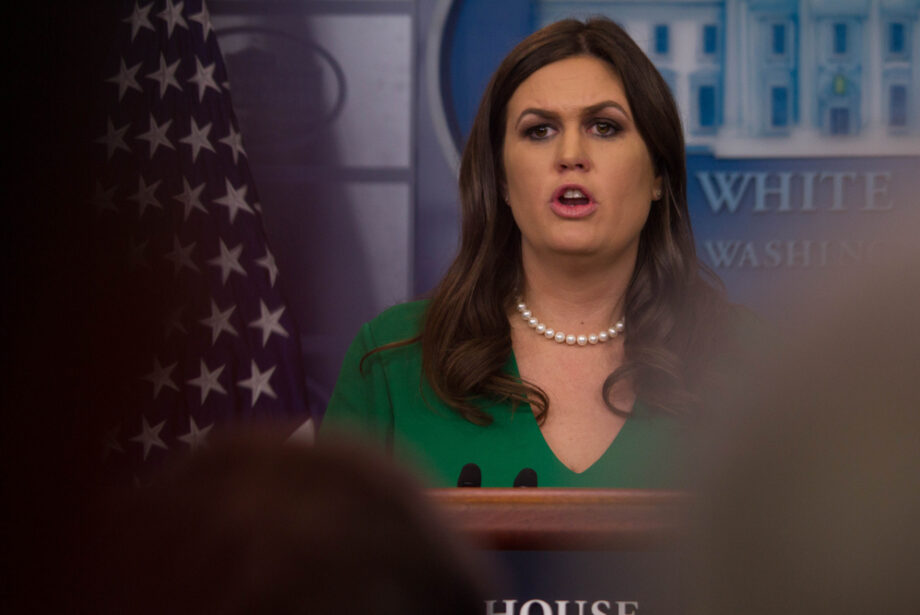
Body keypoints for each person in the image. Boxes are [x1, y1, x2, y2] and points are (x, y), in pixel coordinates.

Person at [322, 18, 743, 488]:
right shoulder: (390, 363)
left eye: (604, 127)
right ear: (501, 179)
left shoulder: (755, 361)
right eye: (539, 131)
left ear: (658, 176)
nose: (570, 154)